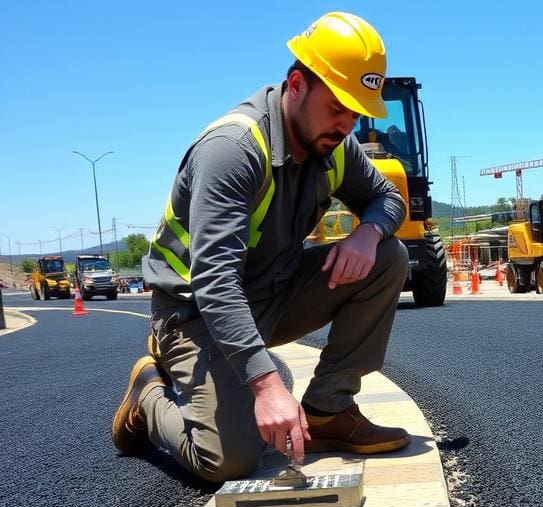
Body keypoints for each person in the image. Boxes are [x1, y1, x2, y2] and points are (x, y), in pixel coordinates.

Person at [111, 12, 412, 483]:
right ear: (297, 84)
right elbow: (213, 279)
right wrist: (267, 384)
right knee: (229, 461)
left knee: (388, 257)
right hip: (195, 313)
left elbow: (388, 199)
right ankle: (148, 394)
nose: (347, 126)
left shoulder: (334, 144)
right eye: (338, 108)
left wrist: (367, 232)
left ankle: (327, 411)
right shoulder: (232, 149)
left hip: (273, 292)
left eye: (357, 113)